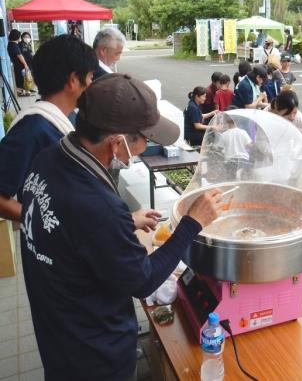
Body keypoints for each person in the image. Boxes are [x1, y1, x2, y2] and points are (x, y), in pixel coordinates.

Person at [20, 73, 222, 380]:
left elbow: (67, 228)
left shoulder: (48, 159)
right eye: (145, 140)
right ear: (118, 142)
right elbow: (142, 282)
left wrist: (125, 222)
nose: (145, 148)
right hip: (95, 355)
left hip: (56, 332)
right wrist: (192, 224)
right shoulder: (96, 204)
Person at [0, 35, 97, 222]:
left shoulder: (71, 116)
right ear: (74, 80)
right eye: (91, 77)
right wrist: (42, 223)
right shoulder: (31, 128)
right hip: (50, 247)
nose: (92, 84)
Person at [7, 29, 30, 96]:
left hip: (16, 65)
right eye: (19, 36)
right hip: (19, 65)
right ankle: (22, 92)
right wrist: (25, 64)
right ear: (16, 36)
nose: (20, 38)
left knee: (19, 78)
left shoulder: (10, 44)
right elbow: (20, 56)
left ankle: (22, 91)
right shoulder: (14, 45)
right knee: (20, 79)